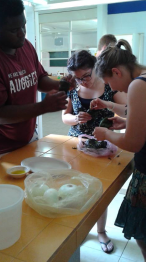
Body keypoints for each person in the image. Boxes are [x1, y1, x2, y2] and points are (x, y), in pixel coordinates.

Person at [0, 0, 71, 156]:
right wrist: (43, 107)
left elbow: (39, 78)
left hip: (28, 138)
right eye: (14, 30)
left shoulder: (25, 45)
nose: (22, 33)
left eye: (23, 26)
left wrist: (61, 85)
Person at [62, 49, 127, 253]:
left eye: (87, 76)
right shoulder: (73, 89)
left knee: (99, 190)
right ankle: (76, 229)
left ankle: (100, 231)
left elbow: (132, 110)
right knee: (75, 187)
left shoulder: (109, 86)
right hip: (77, 144)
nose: (83, 82)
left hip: (103, 146)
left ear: (95, 68)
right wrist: (76, 118)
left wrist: (120, 121)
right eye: (78, 78)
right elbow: (65, 116)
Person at [93, 39, 146, 261]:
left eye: (110, 83)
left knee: (143, 233)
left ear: (116, 71)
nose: (114, 89)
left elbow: (133, 143)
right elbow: (134, 109)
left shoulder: (138, 84)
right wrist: (117, 114)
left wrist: (106, 134)